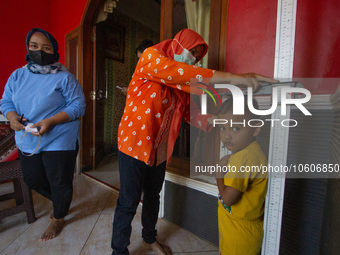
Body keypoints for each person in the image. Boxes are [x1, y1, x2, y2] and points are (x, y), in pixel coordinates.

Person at [111, 28, 276, 255]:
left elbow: (190, 113)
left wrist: (219, 121)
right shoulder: (152, 57)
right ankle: (119, 251)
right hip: (134, 145)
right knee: (128, 200)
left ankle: (149, 238)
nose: (193, 59)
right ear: (177, 44)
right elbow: (181, 72)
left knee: (152, 196)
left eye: (197, 57)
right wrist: (235, 76)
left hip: (159, 149)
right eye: (192, 52)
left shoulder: (181, 86)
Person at [0, 28, 86, 241]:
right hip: (28, 138)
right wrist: (12, 118)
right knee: (32, 178)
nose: (40, 51)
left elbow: (79, 105)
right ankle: (61, 199)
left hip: (60, 136)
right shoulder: (17, 76)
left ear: (54, 50)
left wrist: (51, 121)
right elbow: (6, 101)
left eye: (46, 47)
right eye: (34, 47)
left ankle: (59, 217)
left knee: (59, 180)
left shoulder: (64, 77)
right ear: (28, 49)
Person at [215, 97, 268, 254]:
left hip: (239, 233)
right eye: (222, 128)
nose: (227, 136)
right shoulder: (252, 152)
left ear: (256, 129)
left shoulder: (244, 158)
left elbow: (228, 199)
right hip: (241, 228)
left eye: (236, 129)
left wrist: (219, 175)